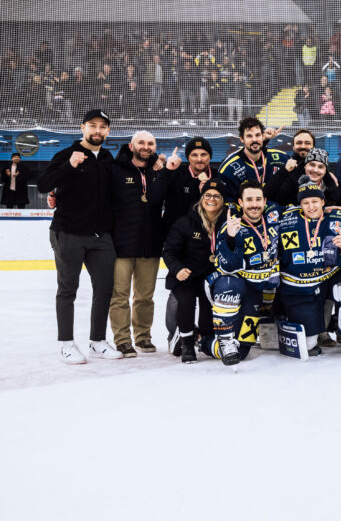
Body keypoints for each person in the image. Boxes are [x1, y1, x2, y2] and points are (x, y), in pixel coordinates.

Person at [37, 109, 123, 364]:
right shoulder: (67, 154)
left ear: (108, 131)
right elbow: (44, 185)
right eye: (92, 125)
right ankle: (66, 344)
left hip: (101, 236)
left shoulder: (107, 158)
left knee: (105, 288)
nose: (97, 130)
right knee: (68, 289)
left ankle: (97, 342)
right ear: (82, 128)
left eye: (102, 127)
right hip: (68, 232)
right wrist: (69, 166)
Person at [207, 181, 282, 365]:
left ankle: (206, 341)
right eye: (249, 200)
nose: (254, 204)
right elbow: (227, 268)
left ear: (265, 201)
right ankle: (222, 340)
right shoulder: (231, 227)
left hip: (255, 292)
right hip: (229, 287)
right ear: (240, 202)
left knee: (242, 351)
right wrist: (231, 239)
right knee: (232, 282)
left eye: (258, 199)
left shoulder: (274, 219)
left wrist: (330, 208)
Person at [276, 180, 341, 354]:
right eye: (305, 203)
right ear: (300, 204)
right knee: (308, 345)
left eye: (315, 201)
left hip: (327, 277)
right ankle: (290, 323)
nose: (311, 207)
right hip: (299, 286)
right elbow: (266, 209)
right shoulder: (287, 218)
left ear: (323, 202)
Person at [109, 131, 169, 357]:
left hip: (150, 244)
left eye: (150, 143)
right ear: (131, 146)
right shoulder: (115, 170)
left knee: (145, 297)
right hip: (121, 245)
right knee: (120, 296)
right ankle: (123, 340)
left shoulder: (159, 171)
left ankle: (143, 337)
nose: (146, 146)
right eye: (141, 142)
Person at [162, 179, 227, 364]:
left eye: (217, 196)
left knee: (207, 324)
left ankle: (201, 334)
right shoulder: (186, 222)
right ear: (201, 198)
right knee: (187, 301)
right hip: (187, 275)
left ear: (222, 200)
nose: (211, 199)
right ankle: (187, 342)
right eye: (208, 195)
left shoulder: (226, 221)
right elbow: (169, 251)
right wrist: (177, 269)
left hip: (210, 278)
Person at [218, 117, 290, 201]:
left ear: (263, 136)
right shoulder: (228, 168)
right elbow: (227, 201)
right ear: (242, 139)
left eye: (258, 135)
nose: (254, 139)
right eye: (249, 136)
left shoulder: (282, 157)